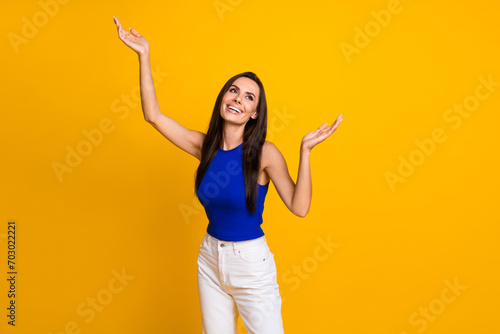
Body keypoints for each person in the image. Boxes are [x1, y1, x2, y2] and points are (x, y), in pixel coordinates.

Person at [113, 16, 343, 334]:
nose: (238, 98)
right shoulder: (203, 146)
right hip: (210, 258)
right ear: (223, 97)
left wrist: (305, 151)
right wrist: (144, 54)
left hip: (250, 263)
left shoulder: (264, 153)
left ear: (254, 114)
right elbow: (153, 116)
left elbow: (299, 207)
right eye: (233, 91)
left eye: (249, 97)